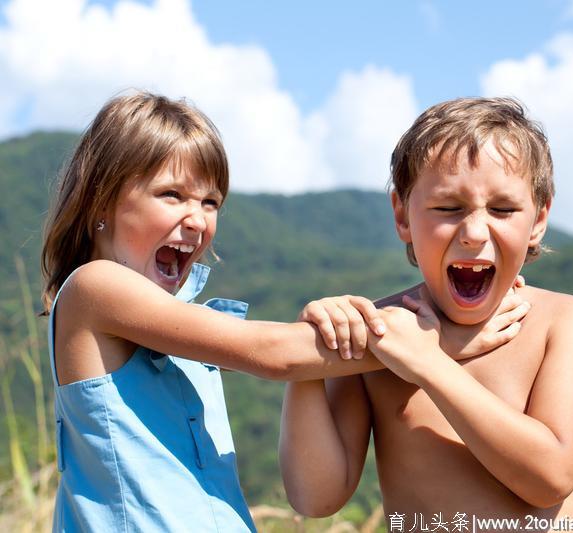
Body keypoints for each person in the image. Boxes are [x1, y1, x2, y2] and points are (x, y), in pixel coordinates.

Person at [41, 91, 527, 531]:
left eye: (211, 201)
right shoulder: (95, 287)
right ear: (100, 198)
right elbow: (274, 352)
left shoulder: (175, 316)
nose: (197, 218)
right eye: (172, 195)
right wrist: (443, 339)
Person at [279, 97, 573, 531]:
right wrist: (312, 357)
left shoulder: (563, 322)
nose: (473, 233)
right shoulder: (379, 332)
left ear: (539, 218)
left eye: (504, 209)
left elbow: (550, 479)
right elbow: (316, 498)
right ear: (402, 215)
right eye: (449, 208)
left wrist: (428, 363)